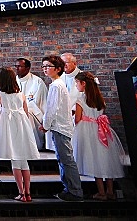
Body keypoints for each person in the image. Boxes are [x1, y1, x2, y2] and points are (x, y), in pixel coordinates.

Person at [72, 71, 125, 200]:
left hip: (88, 132)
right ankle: (110, 192)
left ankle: (101, 193)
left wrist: (74, 116)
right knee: (105, 160)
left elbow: (77, 119)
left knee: (94, 160)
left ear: (83, 84)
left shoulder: (81, 100)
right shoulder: (100, 99)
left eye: (77, 83)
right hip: (102, 130)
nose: (76, 86)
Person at [40, 55, 84, 201]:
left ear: (58, 69)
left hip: (60, 127)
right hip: (59, 127)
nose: (45, 69)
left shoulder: (57, 86)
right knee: (62, 159)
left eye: (48, 66)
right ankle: (69, 189)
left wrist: (45, 125)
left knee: (66, 160)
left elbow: (52, 109)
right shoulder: (56, 84)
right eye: (44, 66)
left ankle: (75, 191)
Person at [0, 66, 39, 202]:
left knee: (15, 160)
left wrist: (0, 128)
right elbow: (26, 112)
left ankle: (21, 192)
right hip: (22, 126)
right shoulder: (21, 95)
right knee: (24, 161)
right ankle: (28, 193)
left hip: (9, 127)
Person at [14, 58, 48, 152]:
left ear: (28, 68)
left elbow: (42, 103)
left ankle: (32, 146)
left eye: (20, 66)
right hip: (16, 111)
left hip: (34, 112)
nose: (17, 69)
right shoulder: (12, 81)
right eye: (16, 66)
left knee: (27, 114)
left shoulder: (37, 82)